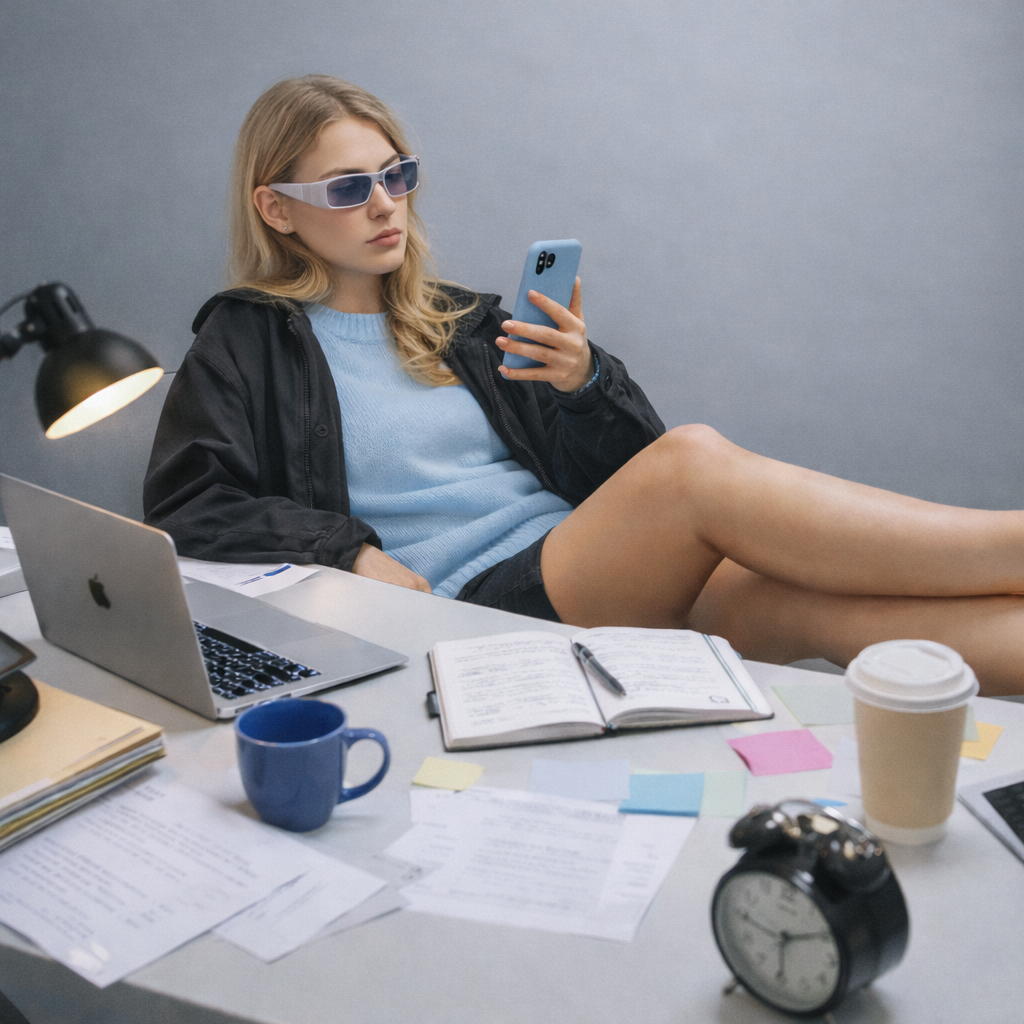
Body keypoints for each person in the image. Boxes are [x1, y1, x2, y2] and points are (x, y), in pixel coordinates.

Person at [144, 74, 1024, 695]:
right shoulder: (248, 336)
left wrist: (582, 384)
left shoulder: (464, 322)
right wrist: (347, 549)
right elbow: (188, 503)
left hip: (587, 570)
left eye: (396, 175)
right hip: (479, 609)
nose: (385, 205)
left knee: (807, 605)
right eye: (348, 186)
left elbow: (623, 482)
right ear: (275, 208)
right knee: (692, 464)